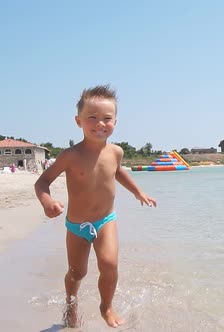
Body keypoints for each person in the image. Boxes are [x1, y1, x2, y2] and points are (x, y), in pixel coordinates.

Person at [34, 85, 157, 328]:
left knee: (110, 264)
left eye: (106, 119)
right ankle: (71, 303)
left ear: (115, 122)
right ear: (78, 121)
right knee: (76, 273)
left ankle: (106, 306)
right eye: (92, 117)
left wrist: (138, 192)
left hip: (105, 220)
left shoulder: (116, 152)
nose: (100, 123)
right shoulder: (70, 155)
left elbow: (118, 172)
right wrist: (47, 200)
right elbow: (42, 181)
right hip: (76, 225)